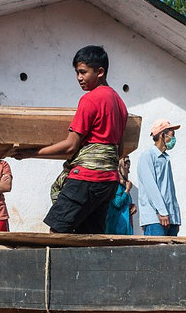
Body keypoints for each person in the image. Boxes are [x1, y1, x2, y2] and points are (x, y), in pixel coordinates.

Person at [12, 45, 128, 234]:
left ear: (100, 72)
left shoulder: (90, 99)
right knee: (89, 237)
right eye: (77, 73)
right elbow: (119, 149)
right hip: (109, 181)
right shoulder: (120, 103)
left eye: (83, 72)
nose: (79, 78)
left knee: (57, 232)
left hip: (87, 178)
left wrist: (31, 153)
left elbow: (70, 146)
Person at [137, 119, 181, 236]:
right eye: (172, 135)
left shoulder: (165, 158)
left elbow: (169, 191)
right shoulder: (147, 156)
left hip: (170, 218)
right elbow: (150, 187)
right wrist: (162, 211)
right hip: (155, 218)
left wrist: (175, 217)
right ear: (162, 135)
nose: (173, 139)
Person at [105, 156, 136, 234]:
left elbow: (124, 203)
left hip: (124, 227)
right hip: (117, 227)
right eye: (127, 168)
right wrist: (127, 190)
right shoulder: (117, 185)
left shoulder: (123, 185)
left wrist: (132, 206)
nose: (128, 171)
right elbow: (117, 203)